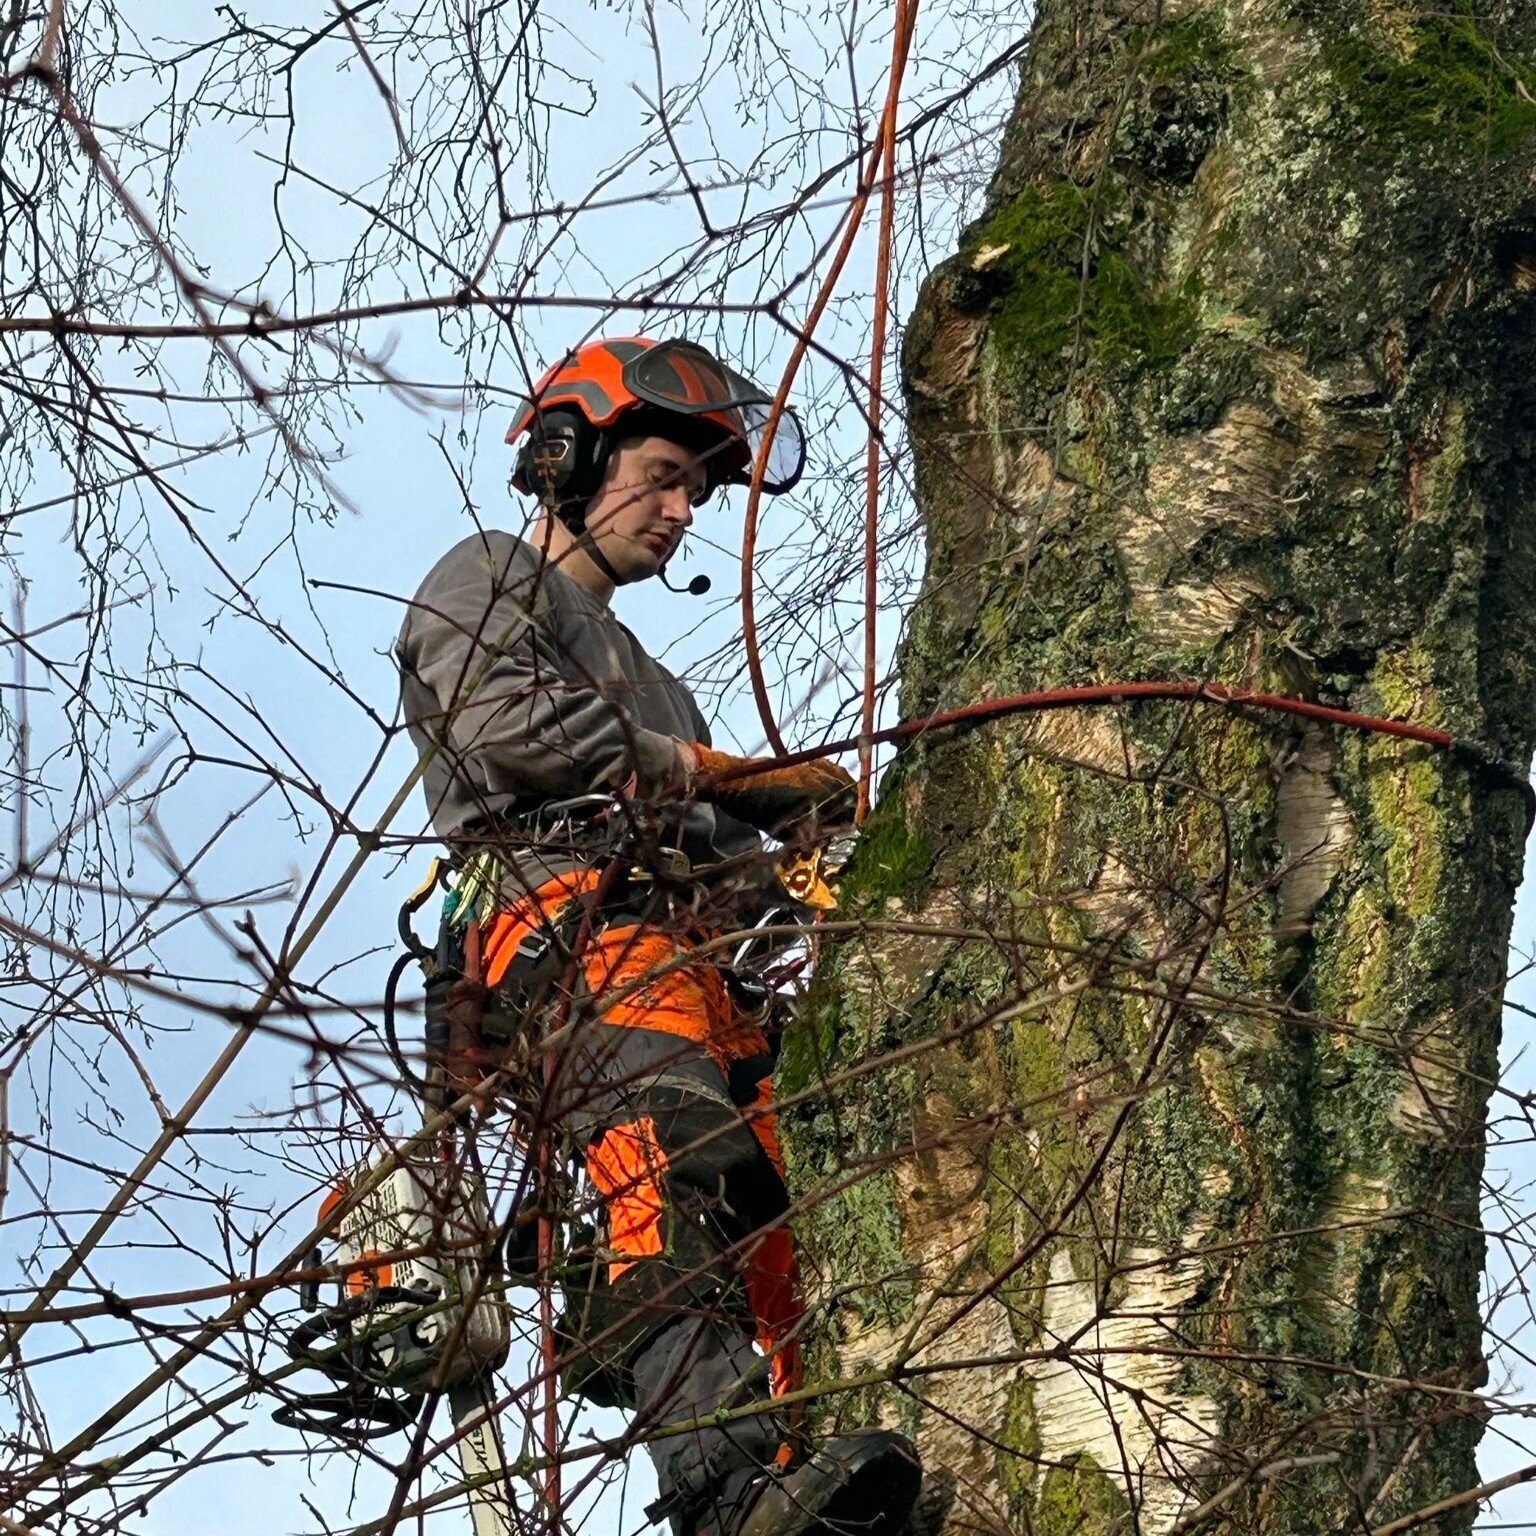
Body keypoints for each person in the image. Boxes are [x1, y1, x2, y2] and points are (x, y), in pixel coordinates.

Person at [395, 337, 922, 1536]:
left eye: (698, 492)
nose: (684, 512)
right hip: (564, 926)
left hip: (696, 962)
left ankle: (808, 1474)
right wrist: (720, 772)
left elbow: (727, 863)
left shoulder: (658, 682)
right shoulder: (486, 577)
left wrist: (812, 869)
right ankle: (721, 1492)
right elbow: (507, 726)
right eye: (665, 477)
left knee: (791, 1204)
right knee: (669, 1154)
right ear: (570, 459)